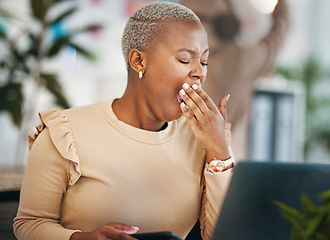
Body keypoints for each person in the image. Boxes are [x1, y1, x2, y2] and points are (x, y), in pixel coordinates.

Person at [13, 2, 234, 240]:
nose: (199, 72)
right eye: (184, 59)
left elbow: (221, 235)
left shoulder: (203, 140)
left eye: (204, 62)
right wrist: (82, 239)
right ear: (138, 61)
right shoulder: (64, 134)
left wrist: (218, 149)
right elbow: (29, 225)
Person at [181, 0, 289, 161]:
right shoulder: (235, 61)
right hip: (222, 168)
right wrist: (282, 6)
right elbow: (275, 40)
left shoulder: (168, 60)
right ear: (227, 26)